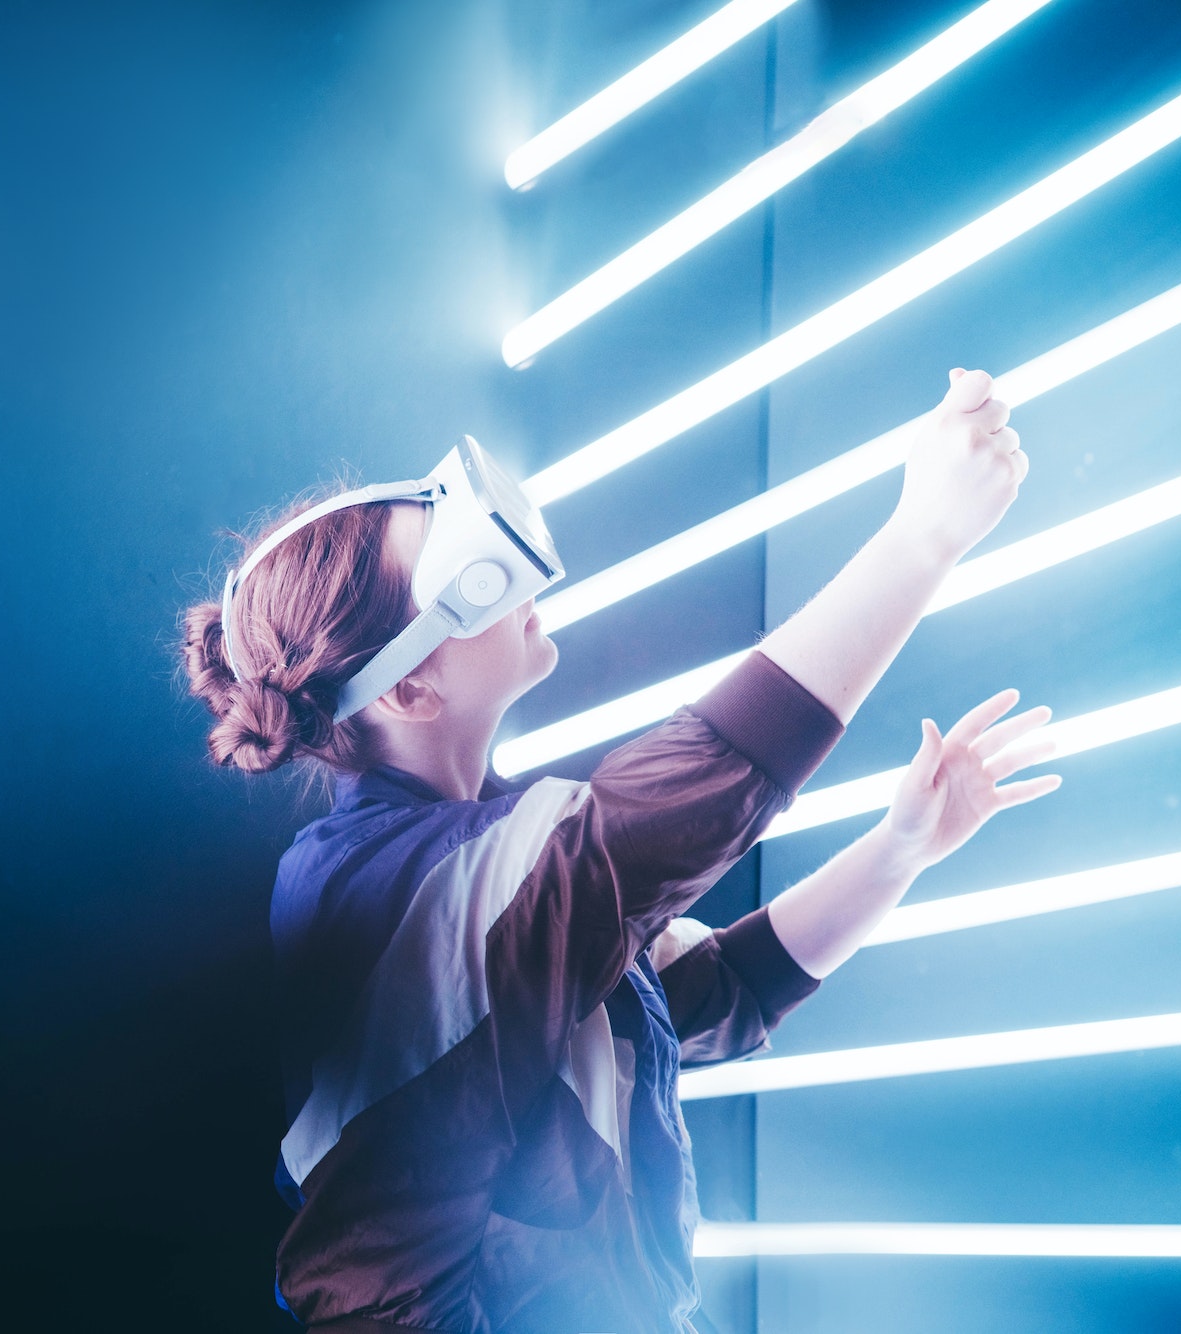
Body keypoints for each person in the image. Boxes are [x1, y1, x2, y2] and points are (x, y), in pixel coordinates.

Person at [182, 369, 1062, 1333]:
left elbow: (714, 996)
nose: (525, 582)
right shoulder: (389, 890)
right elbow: (681, 803)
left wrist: (900, 849)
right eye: (473, 576)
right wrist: (923, 536)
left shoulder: (492, 857)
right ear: (408, 692)